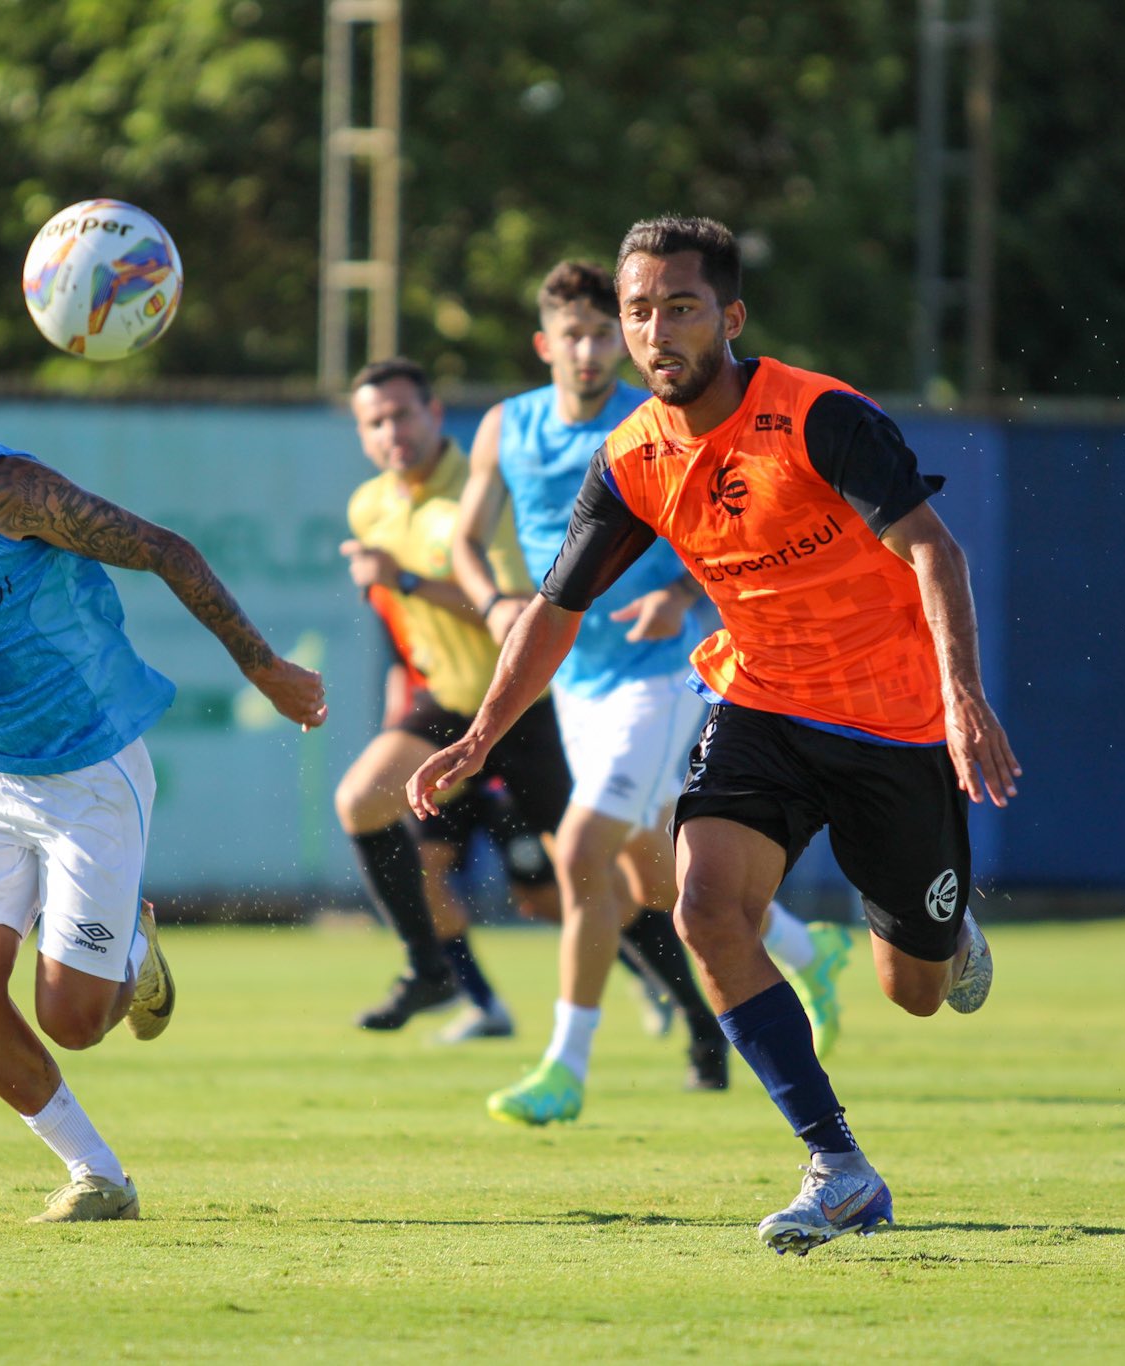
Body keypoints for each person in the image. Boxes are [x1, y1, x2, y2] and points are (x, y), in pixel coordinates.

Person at [408, 217, 1020, 1255]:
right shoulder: (632, 457)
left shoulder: (819, 416)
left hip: (892, 718)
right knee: (701, 904)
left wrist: (962, 694)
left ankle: (943, 938)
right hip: (761, 707)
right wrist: (477, 739)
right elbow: (553, 610)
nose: (655, 332)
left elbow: (933, 552)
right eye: (637, 310)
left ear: (730, 318)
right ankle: (837, 1167)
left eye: (679, 307)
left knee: (911, 991)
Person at [0, 307, 326, 1224]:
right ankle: (98, 1174)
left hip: (90, 770)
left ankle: (134, 942)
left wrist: (266, 667)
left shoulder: (6, 490)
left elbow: (164, 550)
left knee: (75, 1023)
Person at [452, 260, 858, 1125]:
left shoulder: (656, 422)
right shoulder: (505, 427)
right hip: (578, 682)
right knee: (650, 874)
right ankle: (803, 947)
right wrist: (492, 603)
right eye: (578, 334)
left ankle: (565, 1067)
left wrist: (678, 595)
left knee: (577, 852)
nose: (595, 349)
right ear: (545, 343)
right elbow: (464, 541)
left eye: (609, 332)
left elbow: (737, 530)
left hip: (664, 671)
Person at [335, 356, 568, 1032]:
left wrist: (406, 578)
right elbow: (405, 626)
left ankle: (690, 1007)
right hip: (444, 707)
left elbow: (516, 612)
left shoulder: (480, 489)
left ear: (435, 414)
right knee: (373, 814)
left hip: (524, 707)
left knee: (570, 887)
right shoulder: (370, 505)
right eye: (374, 421)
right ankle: (445, 980)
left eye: (402, 413)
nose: (390, 431)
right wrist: (397, 707)